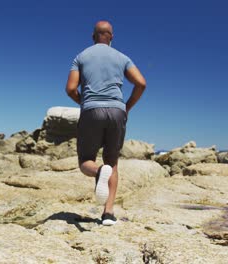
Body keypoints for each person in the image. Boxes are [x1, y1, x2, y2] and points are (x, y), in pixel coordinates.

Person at [65, 21, 146, 226]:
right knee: (112, 161)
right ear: (111, 37)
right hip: (117, 111)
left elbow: (71, 88)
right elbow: (141, 83)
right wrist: (126, 107)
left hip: (92, 110)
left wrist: (84, 102)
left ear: (93, 36)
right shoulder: (122, 57)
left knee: (86, 161)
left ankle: (99, 171)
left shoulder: (81, 56)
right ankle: (108, 213)